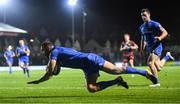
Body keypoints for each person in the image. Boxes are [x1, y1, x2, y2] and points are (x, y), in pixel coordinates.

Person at [28, 40, 158, 93]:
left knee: (116, 69)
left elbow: (51, 71)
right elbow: (53, 69)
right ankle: (117, 81)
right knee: (91, 88)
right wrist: (50, 70)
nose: (42, 52)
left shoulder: (54, 53)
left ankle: (145, 73)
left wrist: (39, 81)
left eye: (43, 50)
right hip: (87, 66)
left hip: (90, 59)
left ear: (48, 48)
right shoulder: (56, 53)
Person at [139, 8, 174, 87]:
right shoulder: (141, 27)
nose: (143, 17)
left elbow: (165, 32)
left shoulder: (155, 24)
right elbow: (143, 38)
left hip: (157, 46)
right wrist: (141, 49)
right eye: (142, 16)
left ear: (149, 15)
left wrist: (160, 38)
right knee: (158, 68)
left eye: (145, 15)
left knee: (150, 63)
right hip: (150, 48)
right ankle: (167, 57)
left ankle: (156, 82)